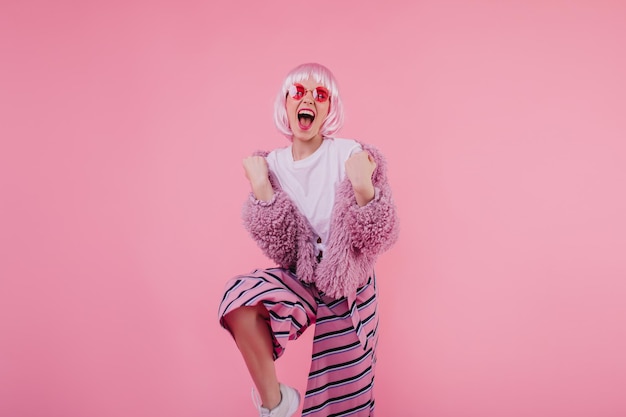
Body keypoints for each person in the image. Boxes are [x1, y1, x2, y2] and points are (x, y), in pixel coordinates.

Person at [218, 62, 399, 417]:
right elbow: (284, 249)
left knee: (343, 403)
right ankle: (277, 404)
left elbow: (380, 234)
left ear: (330, 109)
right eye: (299, 92)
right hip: (304, 277)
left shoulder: (348, 153)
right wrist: (262, 191)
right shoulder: (272, 166)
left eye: (321, 95)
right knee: (238, 302)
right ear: (286, 103)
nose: (309, 100)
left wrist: (364, 187)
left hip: (350, 284)